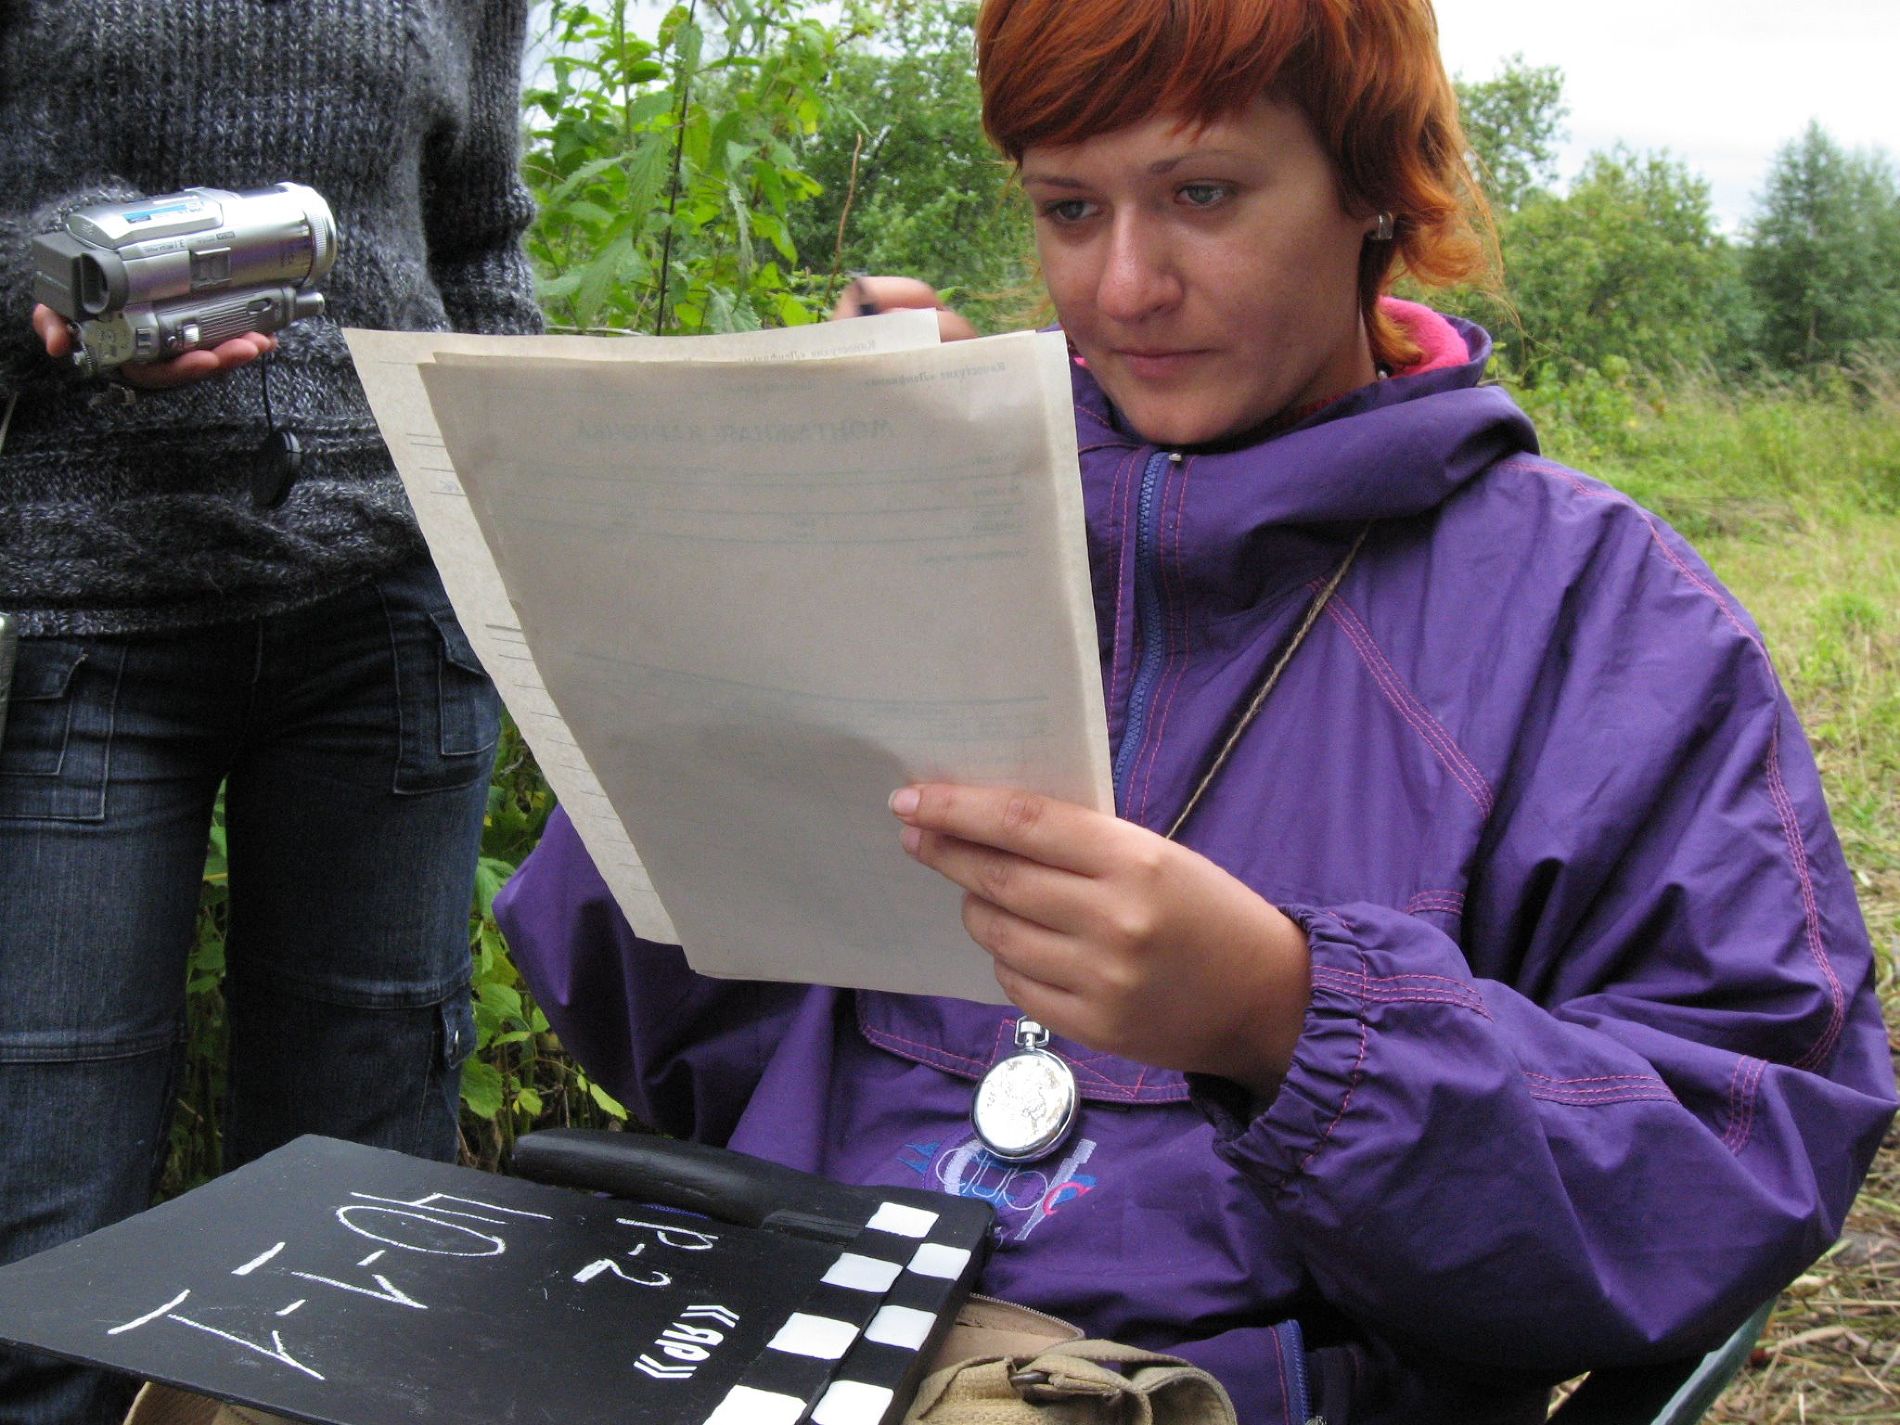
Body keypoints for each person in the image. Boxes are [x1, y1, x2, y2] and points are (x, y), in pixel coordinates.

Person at [492, 0, 1897, 1419]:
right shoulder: (937, 517)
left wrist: (1288, 1020)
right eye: (1069, 208)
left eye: (1203, 194)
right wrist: (764, 574)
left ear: (1373, 184)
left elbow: (1746, 1155)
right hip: (762, 1337)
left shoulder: (1600, 614)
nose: (1125, 288)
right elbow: (650, 1027)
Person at [0, 5, 542, 1423]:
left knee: (360, 1243)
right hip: (80, 615)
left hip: (388, 614)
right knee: (40, 1253)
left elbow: (480, 244)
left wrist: (526, 520)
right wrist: (43, 288)